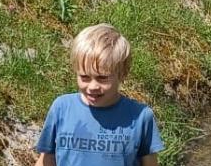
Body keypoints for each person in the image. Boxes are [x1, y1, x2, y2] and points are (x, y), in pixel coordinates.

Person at [35, 24, 163, 166]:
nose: (92, 87)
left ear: (122, 74)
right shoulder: (62, 108)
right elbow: (46, 159)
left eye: (103, 78)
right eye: (84, 77)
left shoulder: (140, 116)